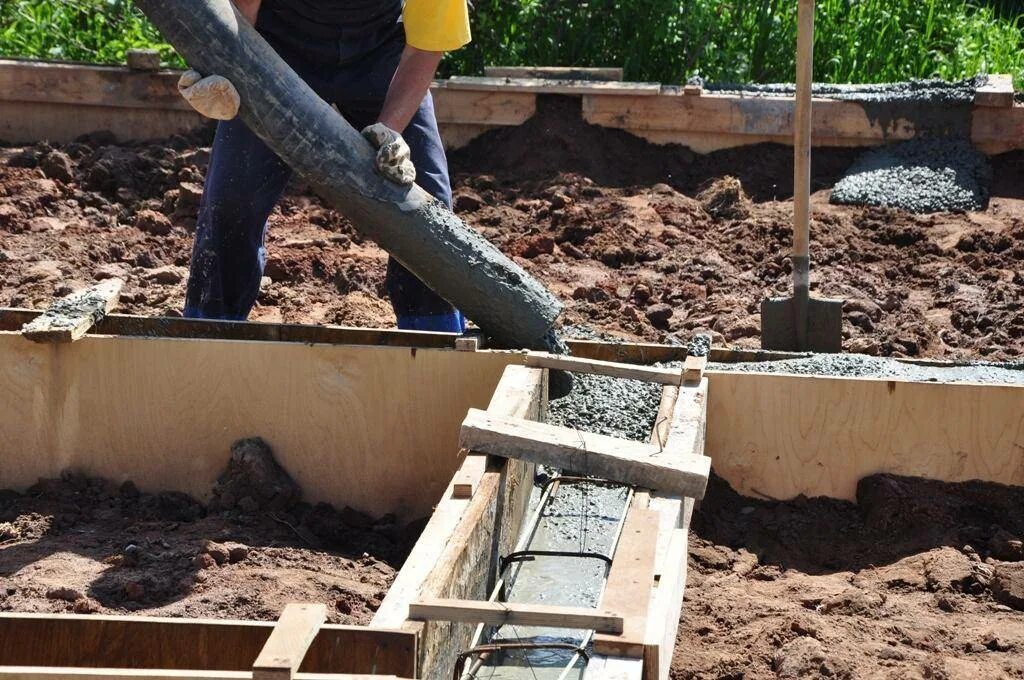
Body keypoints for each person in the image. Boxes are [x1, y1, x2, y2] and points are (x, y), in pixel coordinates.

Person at [178, 0, 471, 332]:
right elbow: (242, 13)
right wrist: (226, 66)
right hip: (275, 50)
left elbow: (427, 45)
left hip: (380, 56)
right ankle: (210, 330)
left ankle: (434, 333)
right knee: (233, 197)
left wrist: (390, 131)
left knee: (428, 202)